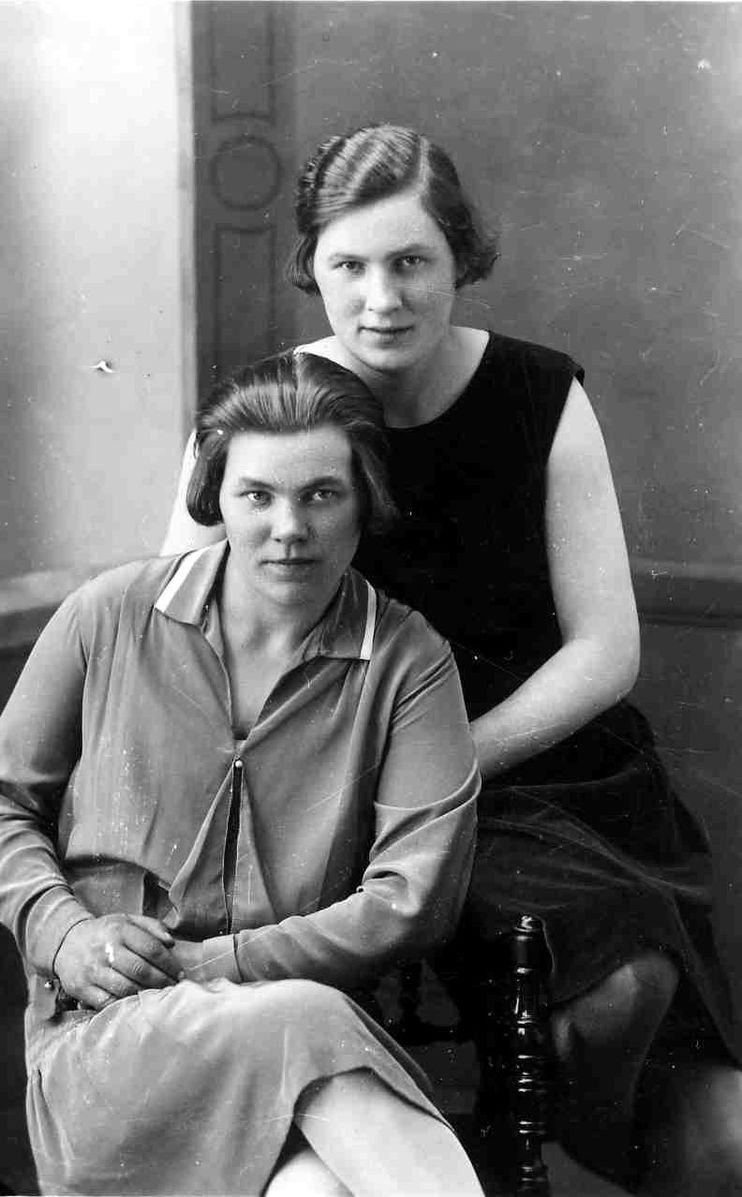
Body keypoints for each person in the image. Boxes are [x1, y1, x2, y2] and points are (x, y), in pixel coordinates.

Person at [162, 125, 742, 1193]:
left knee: (677, 1075)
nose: (381, 298)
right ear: (312, 267)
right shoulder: (274, 404)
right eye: (349, 265)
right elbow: (174, 628)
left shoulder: (538, 392)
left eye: (411, 261)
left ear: (459, 259)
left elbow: (605, 649)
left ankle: (560, 1136)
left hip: (545, 775)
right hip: (345, 787)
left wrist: (450, 762)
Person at [0, 351, 484, 1197]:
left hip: (305, 1053)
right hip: (106, 1038)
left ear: (365, 499)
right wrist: (63, 932)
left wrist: (215, 963)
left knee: (319, 1190)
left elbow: (413, 899)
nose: (289, 527)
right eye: (257, 495)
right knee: (305, 1016)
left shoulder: (409, 661)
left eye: (321, 494)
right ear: (216, 497)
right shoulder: (107, 617)